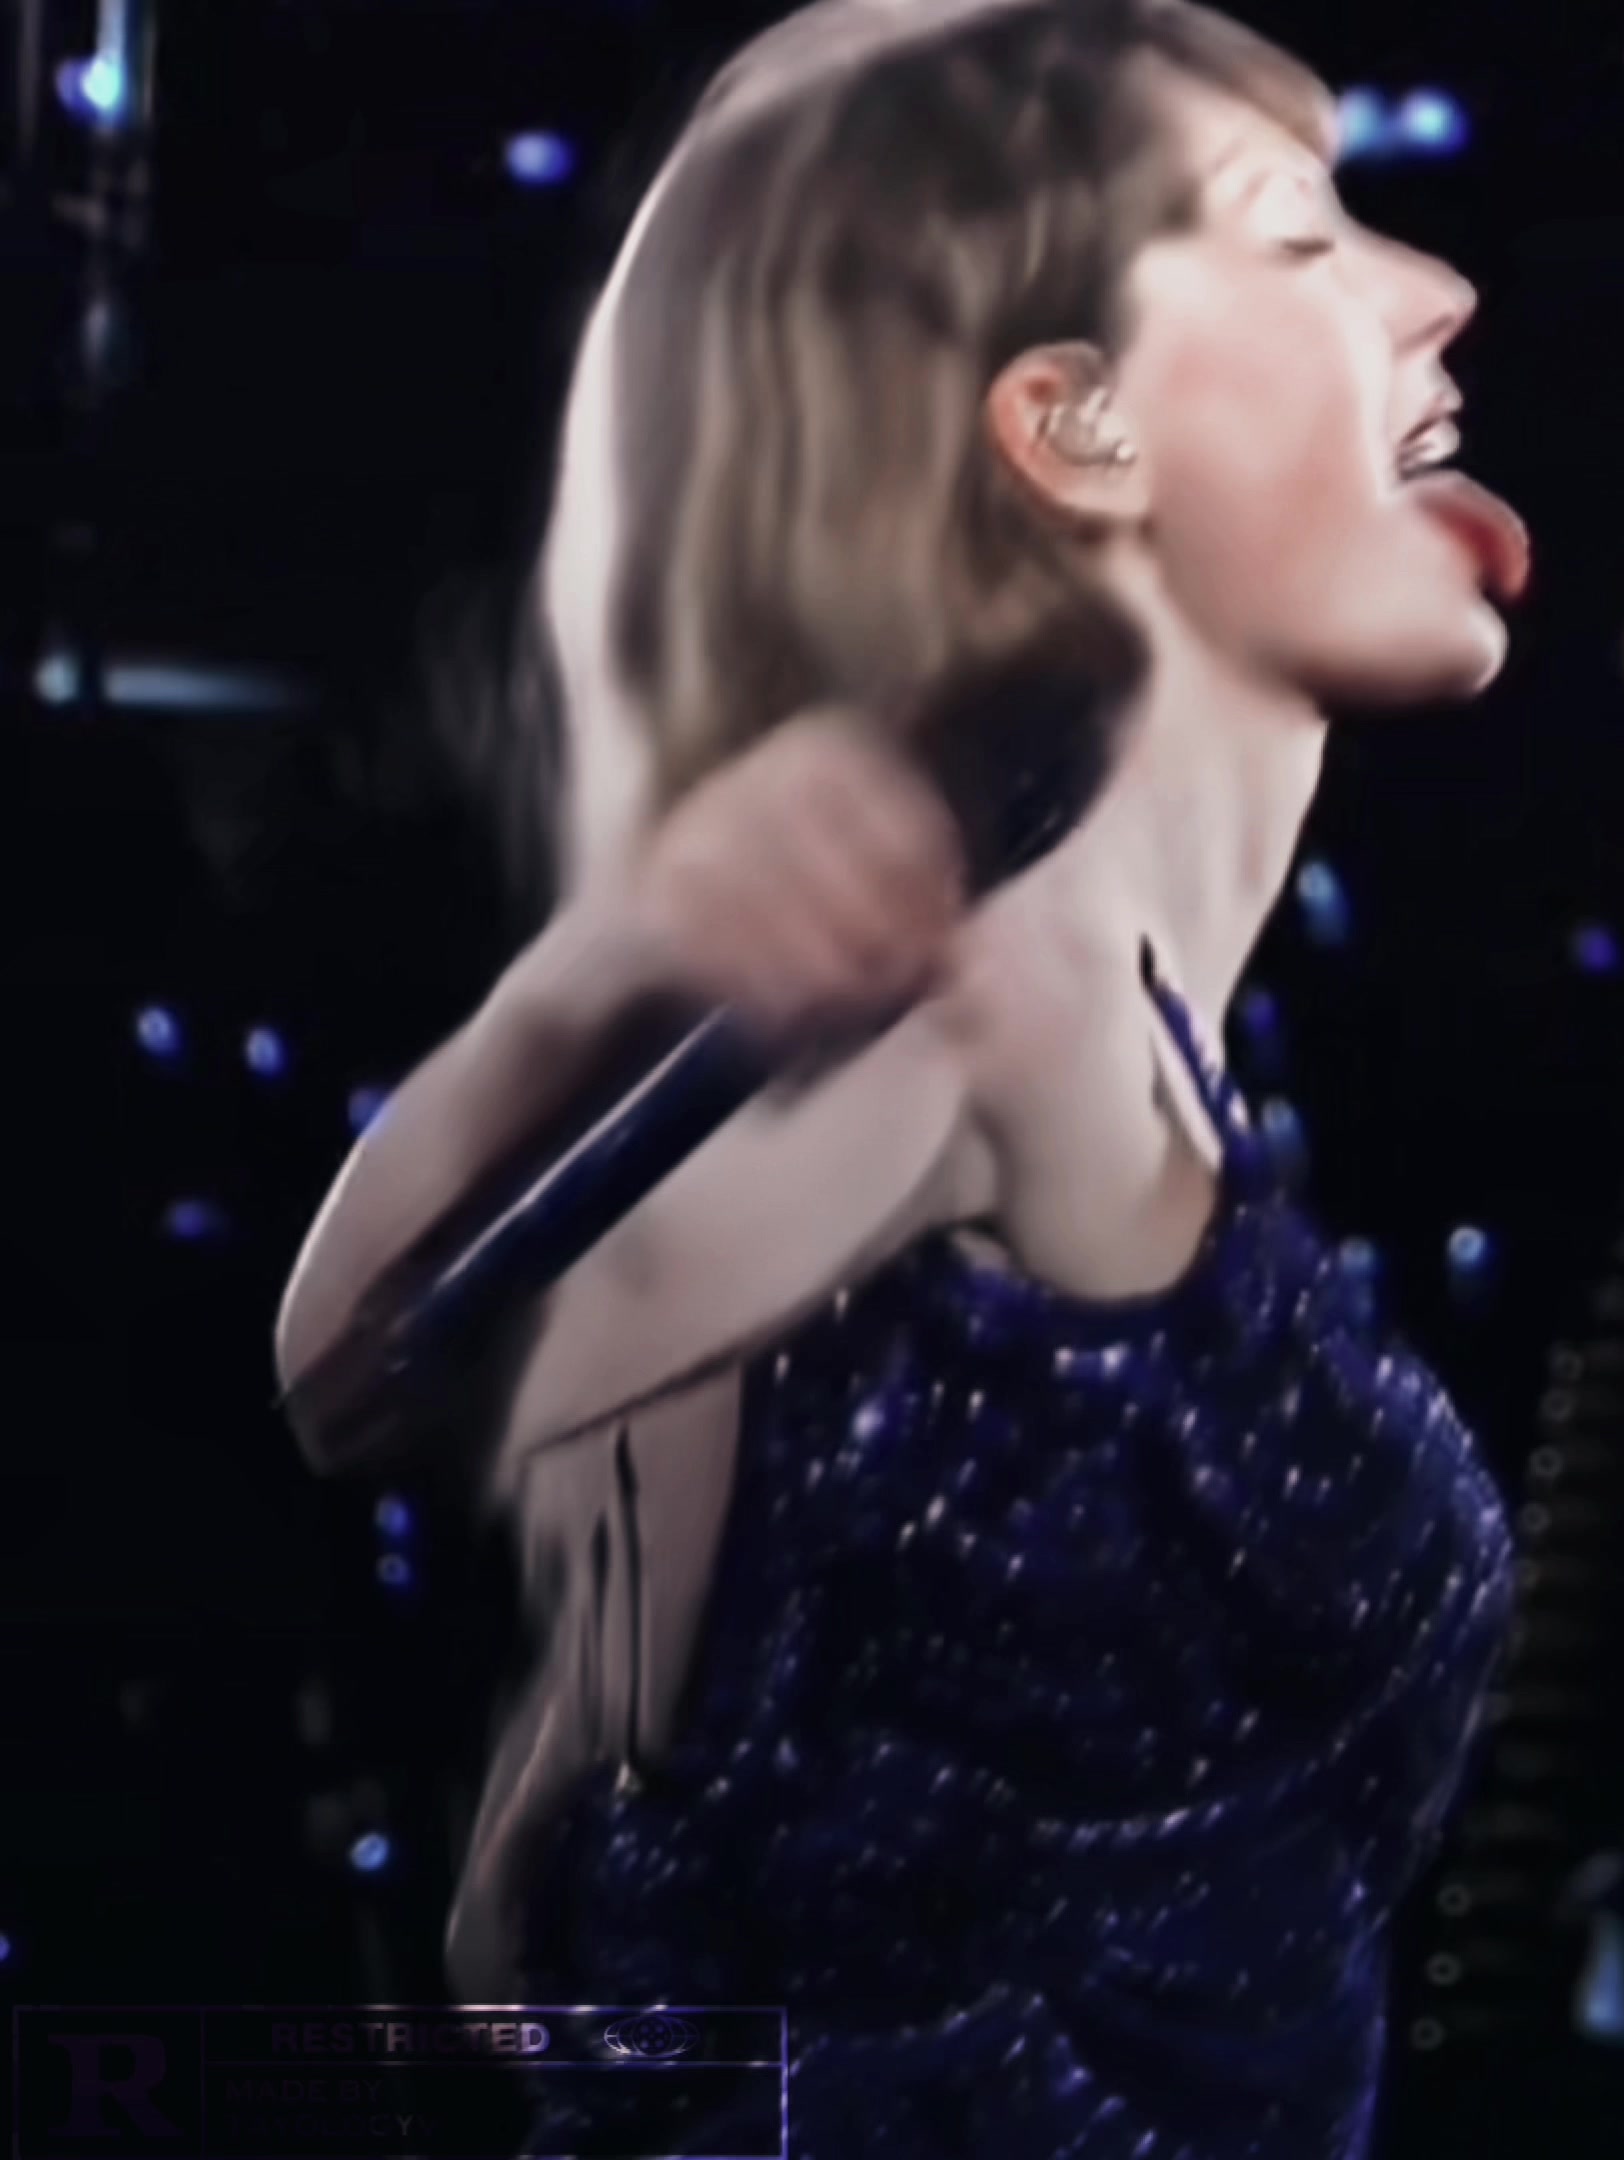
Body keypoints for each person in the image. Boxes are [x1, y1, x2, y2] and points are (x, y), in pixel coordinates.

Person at [274, 1, 1526, 2151]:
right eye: (1297, 241)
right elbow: (357, 1360)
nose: (1439, 291)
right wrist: (654, 936)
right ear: (1076, 424)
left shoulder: (1130, 1028)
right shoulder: (992, 1011)